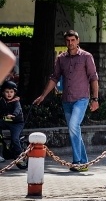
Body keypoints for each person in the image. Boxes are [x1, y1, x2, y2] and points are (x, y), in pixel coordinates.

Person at [32, 30, 99, 171]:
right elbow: (54, 78)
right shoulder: (61, 58)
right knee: (74, 130)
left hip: (81, 98)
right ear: (65, 42)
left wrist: (95, 99)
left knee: (74, 126)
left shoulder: (86, 57)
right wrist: (43, 96)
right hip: (66, 100)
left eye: (73, 40)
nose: (70, 43)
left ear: (77, 40)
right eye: (68, 40)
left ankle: (77, 162)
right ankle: (84, 162)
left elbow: (93, 78)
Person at [0, 80, 24, 163]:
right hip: (6, 122)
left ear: (15, 93)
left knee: (15, 139)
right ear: (3, 92)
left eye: (11, 92)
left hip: (16, 124)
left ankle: (20, 155)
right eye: (7, 92)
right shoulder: (2, 101)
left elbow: (18, 109)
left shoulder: (16, 101)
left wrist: (14, 114)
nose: (9, 94)